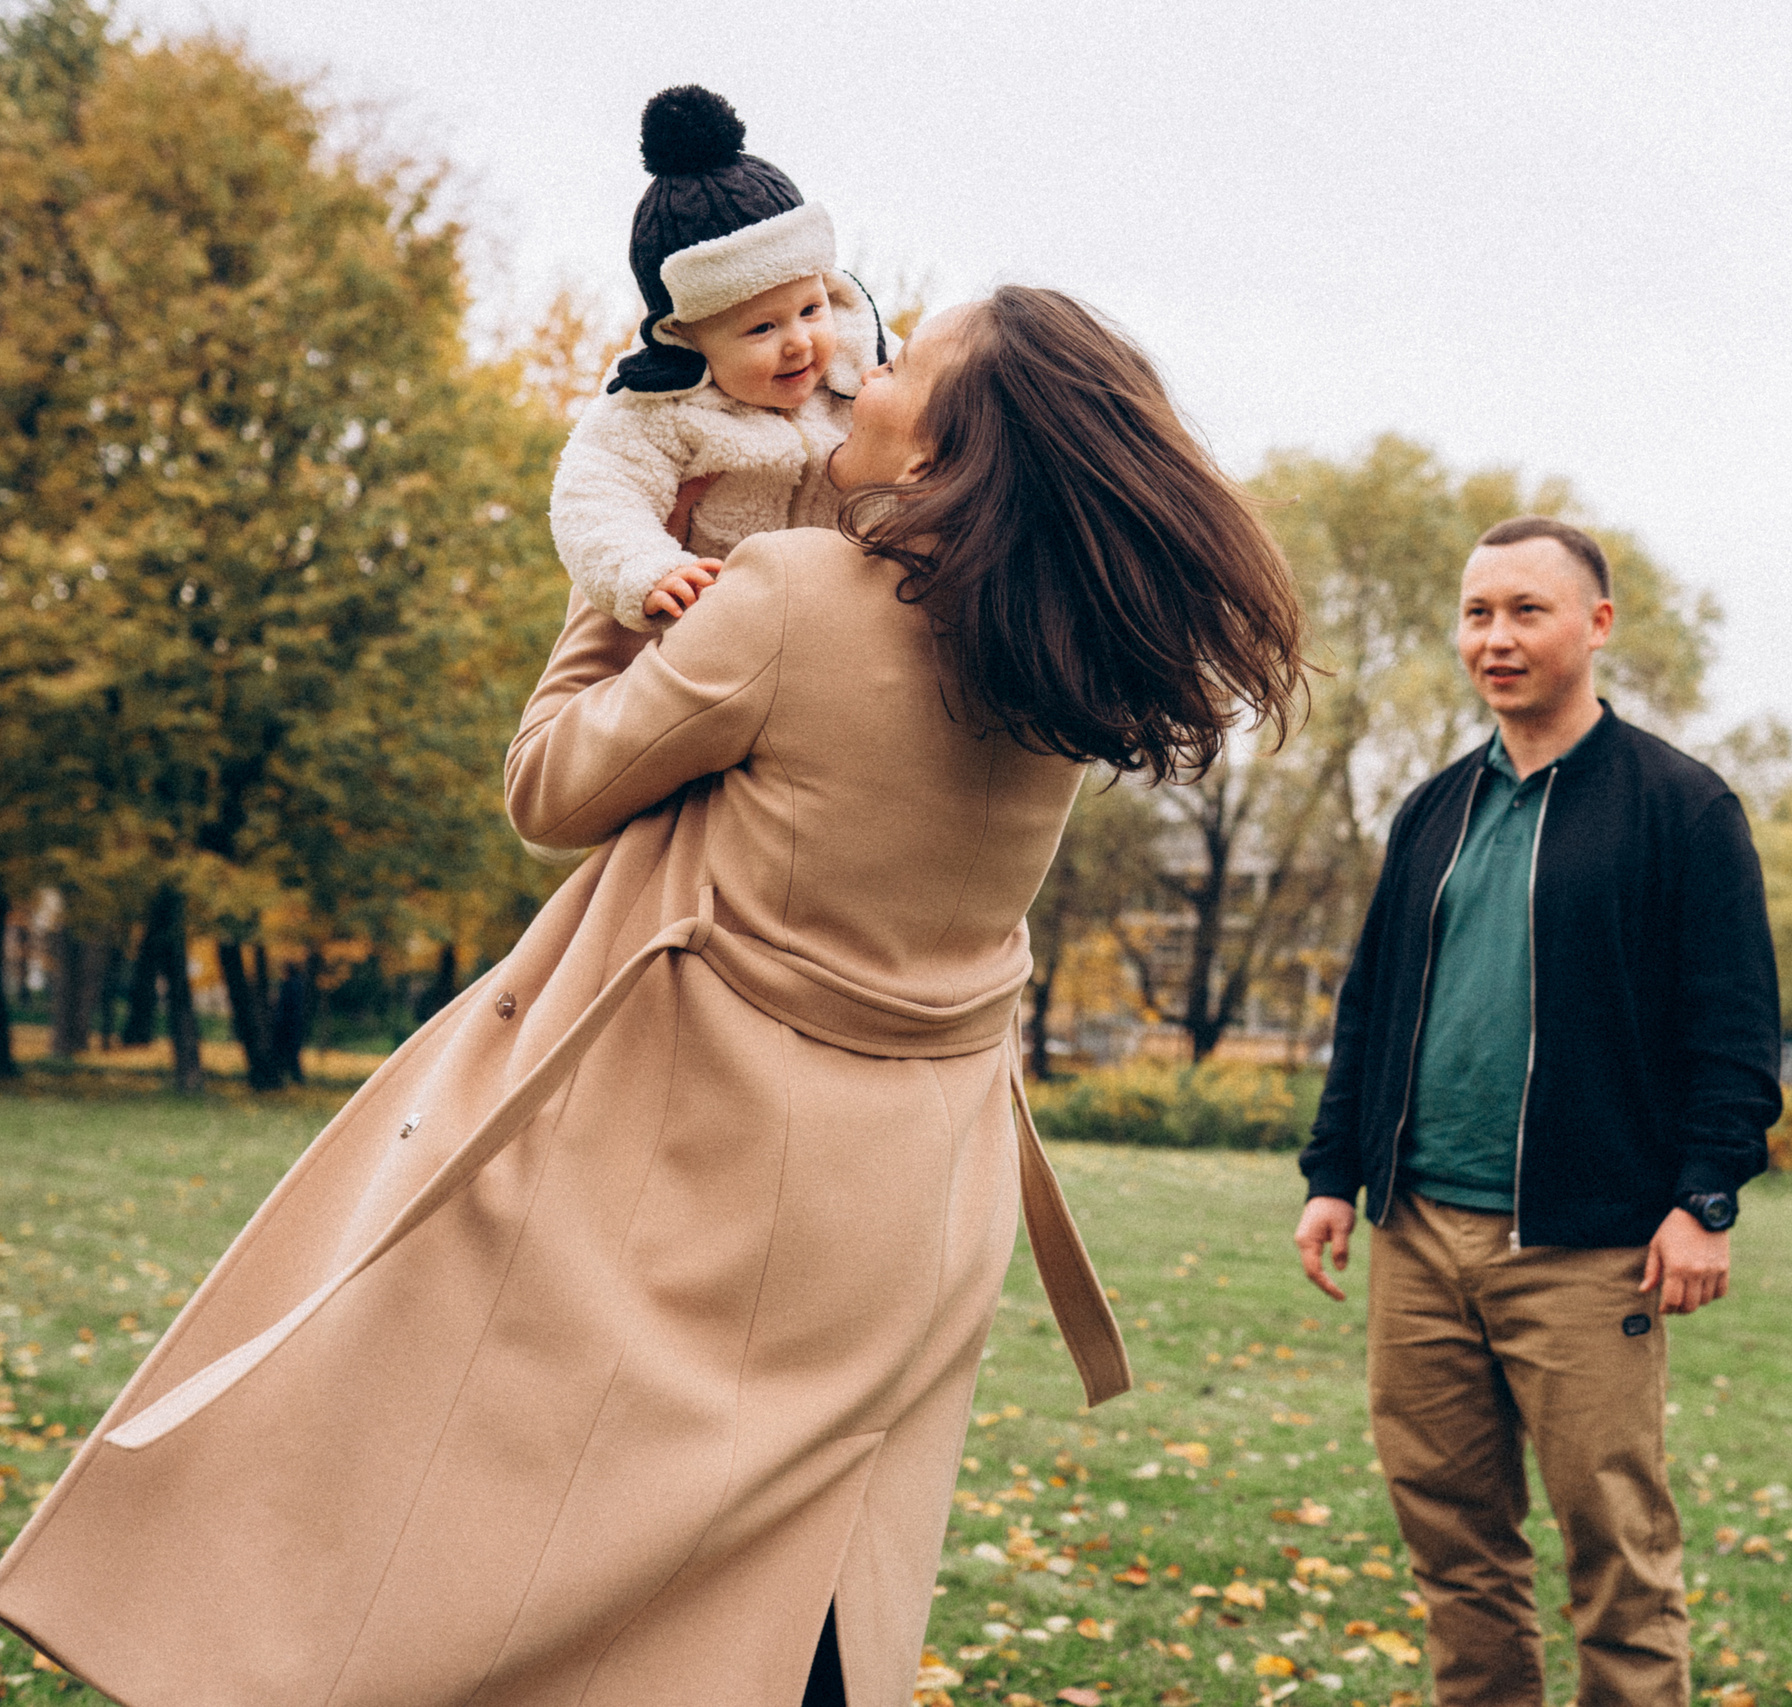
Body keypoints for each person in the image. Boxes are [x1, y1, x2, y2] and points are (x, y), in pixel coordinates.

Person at [0, 286, 1305, 1707]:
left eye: (903, 362)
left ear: (939, 459)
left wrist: (630, 564)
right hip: (907, 1207)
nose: (859, 374)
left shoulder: (795, 598)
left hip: (698, 1177)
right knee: (787, 1557)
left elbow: (550, 785)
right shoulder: (1054, 676)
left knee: (522, 1504)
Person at [1292, 516, 1781, 1707]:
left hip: (1586, 1247)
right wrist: (1331, 1176)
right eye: (1476, 614)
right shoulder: (1433, 812)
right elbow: (1371, 1007)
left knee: (1617, 1556)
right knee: (1455, 1553)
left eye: (1527, 611)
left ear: (1597, 625)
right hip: (1420, 1241)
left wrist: (1703, 1197)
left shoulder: (1681, 808)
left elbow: (1734, 1031)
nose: (1495, 638)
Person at [547, 84, 891, 631]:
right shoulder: (657, 407)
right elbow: (596, 496)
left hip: (859, 614)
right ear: (686, 337)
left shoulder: (866, 363)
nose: (799, 341)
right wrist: (649, 570)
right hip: (723, 627)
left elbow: (940, 432)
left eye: (810, 308)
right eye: (762, 327)